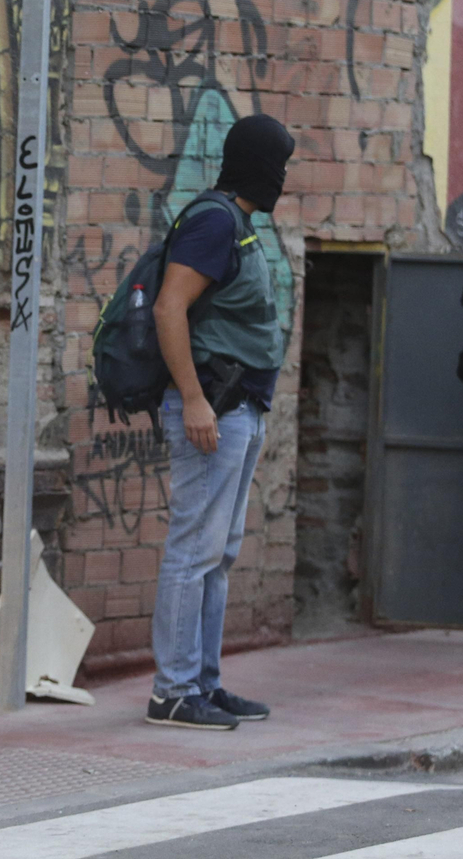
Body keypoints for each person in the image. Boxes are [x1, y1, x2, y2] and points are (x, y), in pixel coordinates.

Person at [146, 114, 292, 730]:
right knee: (192, 551)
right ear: (254, 163)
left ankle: (204, 682)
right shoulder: (213, 220)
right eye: (277, 163)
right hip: (213, 410)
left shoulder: (238, 222)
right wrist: (194, 398)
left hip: (241, 410)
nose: (282, 177)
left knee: (219, 553)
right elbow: (169, 307)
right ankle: (172, 692)